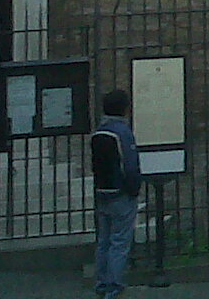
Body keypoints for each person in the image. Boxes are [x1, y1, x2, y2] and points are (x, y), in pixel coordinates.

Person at [91, 89, 141, 299]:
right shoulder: (123, 132)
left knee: (104, 240)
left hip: (102, 192)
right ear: (125, 108)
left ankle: (101, 282)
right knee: (120, 241)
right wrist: (134, 189)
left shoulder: (98, 132)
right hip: (121, 193)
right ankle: (114, 284)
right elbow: (130, 165)